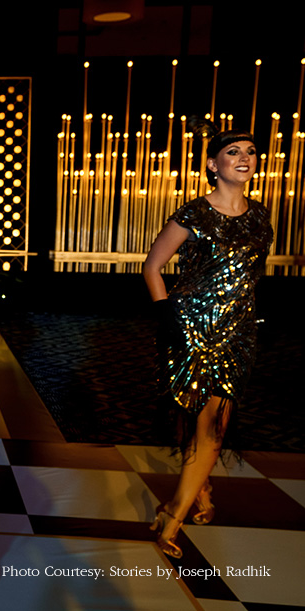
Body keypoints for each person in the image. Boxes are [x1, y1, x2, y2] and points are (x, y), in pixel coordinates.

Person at [142, 127, 273, 558]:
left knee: (214, 425)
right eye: (233, 151)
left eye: (251, 151)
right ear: (213, 165)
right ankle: (195, 492)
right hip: (191, 328)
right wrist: (168, 319)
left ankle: (175, 513)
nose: (245, 157)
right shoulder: (194, 213)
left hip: (237, 333)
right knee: (192, 417)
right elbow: (153, 267)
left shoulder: (260, 217)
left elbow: (249, 278)